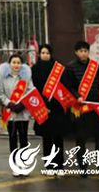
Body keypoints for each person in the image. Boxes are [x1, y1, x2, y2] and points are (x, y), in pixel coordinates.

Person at [64, 40, 99, 178]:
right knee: (81, 139)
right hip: (80, 108)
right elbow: (68, 87)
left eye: (85, 51)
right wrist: (77, 96)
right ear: (76, 52)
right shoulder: (70, 67)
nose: (83, 53)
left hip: (96, 107)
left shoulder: (95, 67)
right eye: (80, 51)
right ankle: (83, 168)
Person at [31, 44, 68, 173]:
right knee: (46, 137)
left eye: (47, 53)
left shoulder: (58, 69)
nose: (45, 55)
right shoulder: (35, 69)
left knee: (58, 137)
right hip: (43, 107)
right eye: (43, 53)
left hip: (57, 108)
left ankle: (59, 163)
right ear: (39, 54)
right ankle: (49, 164)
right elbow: (34, 88)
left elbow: (64, 87)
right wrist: (42, 105)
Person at [0, 53, 33, 173]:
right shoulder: (3, 77)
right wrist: (9, 103)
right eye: (14, 62)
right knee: (12, 139)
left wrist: (22, 104)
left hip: (23, 113)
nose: (16, 65)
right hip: (10, 113)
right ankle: (15, 166)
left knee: (24, 140)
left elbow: (31, 91)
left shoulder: (26, 78)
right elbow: (0, 93)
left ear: (21, 64)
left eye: (18, 63)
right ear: (9, 64)